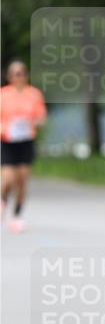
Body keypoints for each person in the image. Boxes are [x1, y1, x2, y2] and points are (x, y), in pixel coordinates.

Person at [0, 60, 47, 233]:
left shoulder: (34, 94)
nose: (18, 77)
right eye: (14, 74)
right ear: (9, 76)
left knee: (21, 180)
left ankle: (17, 216)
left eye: (21, 73)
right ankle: (3, 201)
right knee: (7, 179)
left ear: (26, 75)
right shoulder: (3, 94)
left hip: (26, 141)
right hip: (7, 141)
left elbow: (42, 117)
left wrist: (34, 122)